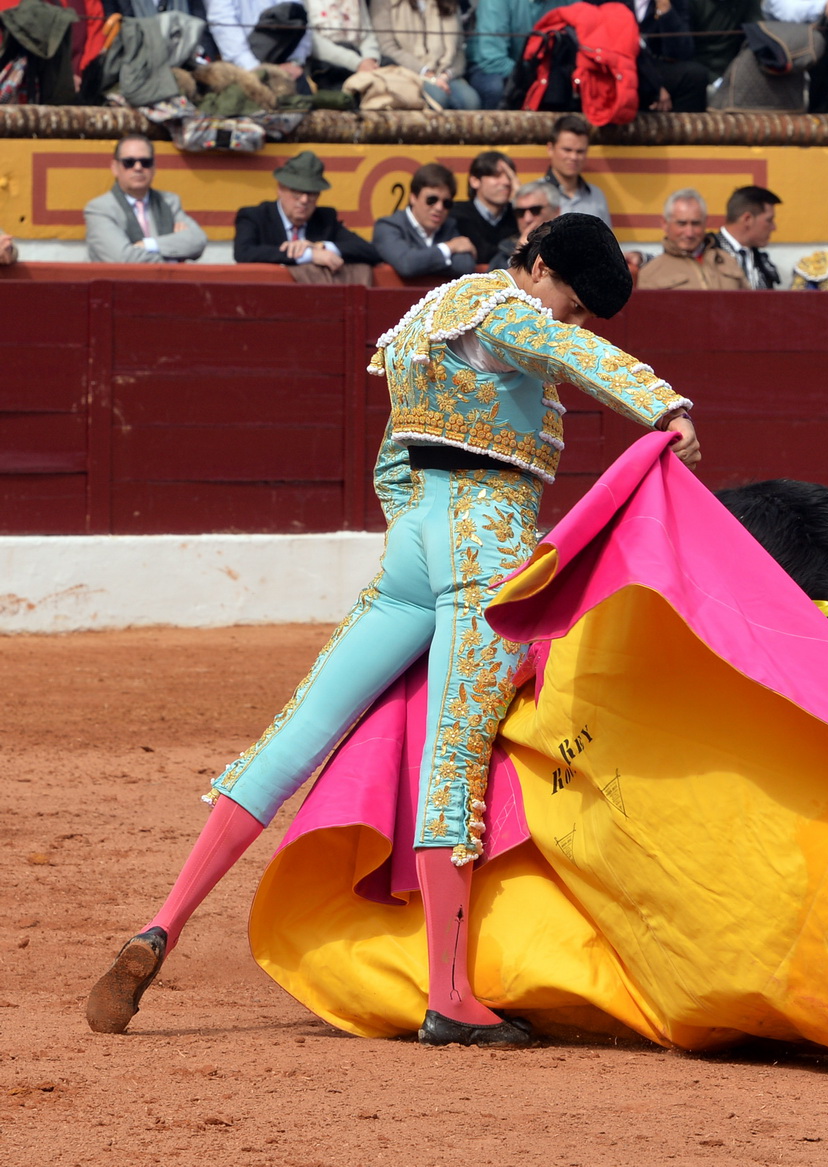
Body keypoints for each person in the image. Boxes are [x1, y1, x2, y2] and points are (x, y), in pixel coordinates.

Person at [84, 213, 699, 1047]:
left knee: (297, 728)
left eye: (582, 312)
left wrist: (413, 529)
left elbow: (391, 454)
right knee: (456, 754)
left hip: (414, 541)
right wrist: (665, 408)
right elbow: (576, 358)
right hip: (485, 544)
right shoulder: (509, 308)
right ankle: (450, 993)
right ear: (540, 263)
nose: (571, 320)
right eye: (573, 300)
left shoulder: (427, 314)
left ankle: (163, 922)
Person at [233, 151, 380, 284]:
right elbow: (244, 253)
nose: (304, 200)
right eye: (297, 192)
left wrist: (321, 246)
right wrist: (309, 255)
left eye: (311, 193)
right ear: (280, 189)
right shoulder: (255, 216)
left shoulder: (325, 219)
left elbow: (370, 251)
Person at [84, 134, 207, 265]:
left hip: (167, 284)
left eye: (145, 162)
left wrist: (148, 245)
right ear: (115, 168)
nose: (138, 168)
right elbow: (124, 259)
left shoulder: (169, 202)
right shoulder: (99, 208)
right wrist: (173, 258)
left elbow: (197, 240)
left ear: (154, 168)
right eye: (129, 162)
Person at [373, 162, 478, 281]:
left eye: (446, 203)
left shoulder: (449, 226)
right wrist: (448, 248)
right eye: (431, 200)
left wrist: (421, 262)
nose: (439, 208)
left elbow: (465, 266)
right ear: (413, 198)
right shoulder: (388, 226)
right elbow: (406, 264)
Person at [371, 0, 482, 109]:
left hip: (446, 74)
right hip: (408, 74)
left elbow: (459, 49)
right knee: (439, 99)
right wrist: (426, 73)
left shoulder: (450, 3)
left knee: (471, 102)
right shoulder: (384, 2)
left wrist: (447, 74)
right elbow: (387, 48)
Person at [637, 188, 746, 290]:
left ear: (705, 222)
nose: (689, 233)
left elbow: (749, 304)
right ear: (665, 224)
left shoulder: (728, 260)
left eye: (696, 223)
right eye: (682, 224)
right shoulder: (651, 272)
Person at [467, 0, 561, 109]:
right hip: (489, 68)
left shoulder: (569, 2)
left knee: (560, 89)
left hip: (541, 71)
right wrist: (531, 79)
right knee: (495, 89)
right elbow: (492, 60)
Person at [206, 0, 312, 85]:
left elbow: (300, 17)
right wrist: (256, 69)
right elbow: (222, 25)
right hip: (246, 70)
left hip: (288, 67)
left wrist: (295, 61)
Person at [637, 0, 711, 112]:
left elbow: (681, 53)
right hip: (618, 66)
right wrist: (654, 85)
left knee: (694, 76)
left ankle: (682, 127)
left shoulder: (676, 2)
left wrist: (665, 10)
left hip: (652, 65)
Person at [543, 115, 612, 226]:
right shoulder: (533, 195)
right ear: (550, 149)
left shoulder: (597, 196)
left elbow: (607, 241)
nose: (574, 157)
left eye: (580, 151)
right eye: (567, 150)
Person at [453, 151, 519, 261]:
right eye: (496, 176)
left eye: (509, 177)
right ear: (475, 181)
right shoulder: (457, 214)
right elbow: (481, 252)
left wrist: (521, 200)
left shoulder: (520, 215)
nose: (506, 182)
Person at [716, 185, 782, 289]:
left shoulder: (760, 260)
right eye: (769, 220)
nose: (774, 227)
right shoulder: (708, 252)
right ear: (747, 219)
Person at [308, 0, 382, 90]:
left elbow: (367, 34)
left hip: (362, 58)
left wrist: (370, 58)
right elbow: (314, 43)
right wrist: (357, 63)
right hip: (328, 64)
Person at [488, 180, 561, 270]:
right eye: (520, 212)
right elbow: (493, 281)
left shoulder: (572, 243)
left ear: (556, 211)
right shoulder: (505, 249)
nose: (527, 219)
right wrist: (519, 256)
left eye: (535, 210)